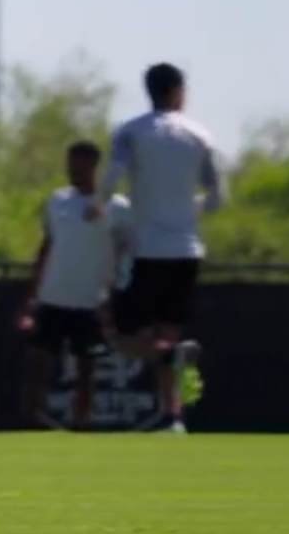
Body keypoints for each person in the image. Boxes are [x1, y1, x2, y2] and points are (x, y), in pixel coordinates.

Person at [89, 62, 223, 434]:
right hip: (187, 250)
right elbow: (216, 198)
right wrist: (188, 208)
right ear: (178, 91)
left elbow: (113, 177)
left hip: (148, 249)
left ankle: (169, 364)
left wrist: (101, 204)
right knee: (169, 330)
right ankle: (173, 417)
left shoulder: (131, 132)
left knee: (122, 335)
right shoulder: (199, 135)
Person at [18, 141, 131, 431]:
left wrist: (116, 293)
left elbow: (124, 250)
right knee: (38, 364)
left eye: (79, 164)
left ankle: (82, 423)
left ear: (94, 165)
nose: (73, 170)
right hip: (53, 297)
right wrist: (31, 298)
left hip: (89, 299)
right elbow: (47, 246)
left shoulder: (115, 207)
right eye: (70, 163)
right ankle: (31, 420)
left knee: (86, 369)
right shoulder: (57, 201)